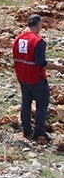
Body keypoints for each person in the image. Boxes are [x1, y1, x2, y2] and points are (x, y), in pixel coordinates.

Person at [13, 14, 64, 143]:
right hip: (35, 78)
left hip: (22, 76)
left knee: (26, 102)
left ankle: (26, 129)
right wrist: (58, 67)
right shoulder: (38, 41)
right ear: (37, 25)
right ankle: (39, 132)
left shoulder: (19, 38)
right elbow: (41, 63)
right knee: (42, 103)